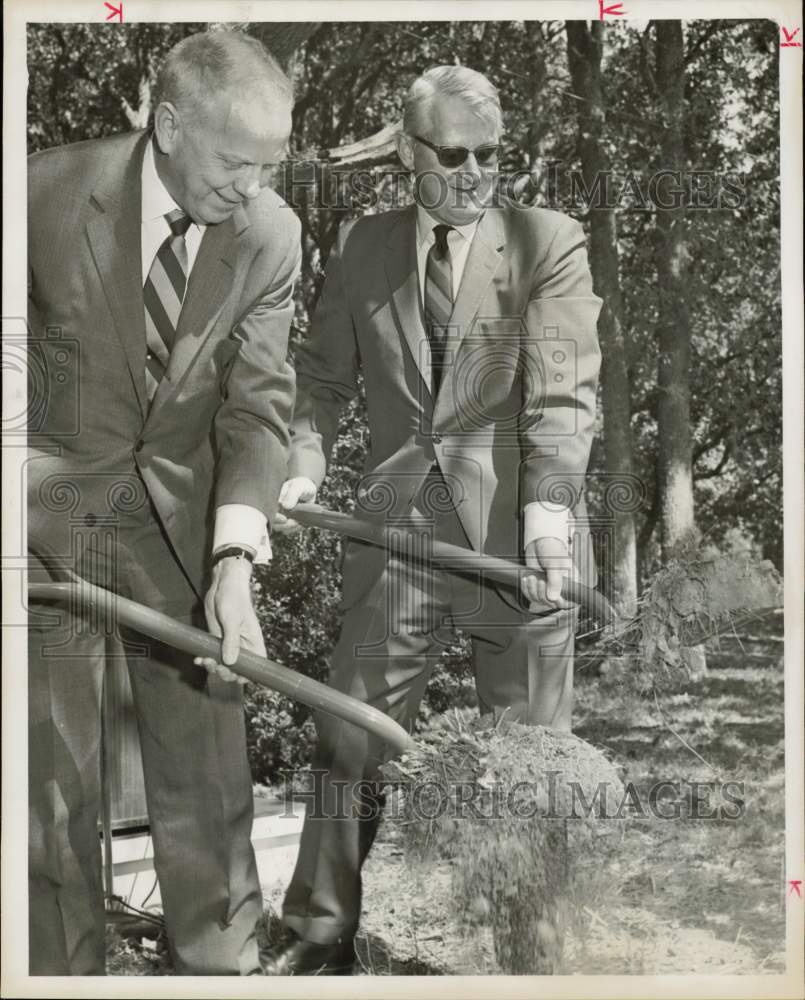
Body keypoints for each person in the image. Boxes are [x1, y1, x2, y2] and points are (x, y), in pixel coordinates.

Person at [263, 65, 602, 976]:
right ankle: (321, 932)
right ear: (409, 154)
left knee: (531, 766)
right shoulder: (365, 246)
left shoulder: (548, 241)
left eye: (491, 154)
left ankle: (531, 954)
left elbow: (563, 400)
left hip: (517, 541)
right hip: (395, 526)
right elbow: (321, 383)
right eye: (453, 155)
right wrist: (300, 470)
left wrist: (547, 524)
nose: (475, 173)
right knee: (347, 736)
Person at [26, 30, 300, 975]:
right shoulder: (40, 194)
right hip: (42, 521)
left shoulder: (268, 235)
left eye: (271, 166)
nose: (252, 189)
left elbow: (258, 407)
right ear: (169, 124)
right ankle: (60, 977)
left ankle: (218, 973)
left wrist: (235, 561)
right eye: (236, 164)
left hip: (184, 531)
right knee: (50, 785)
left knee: (208, 775)